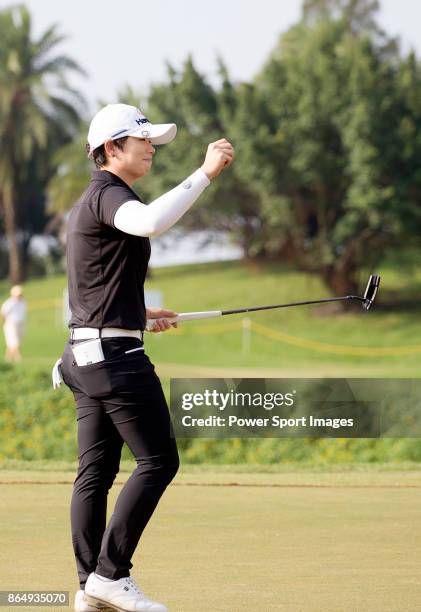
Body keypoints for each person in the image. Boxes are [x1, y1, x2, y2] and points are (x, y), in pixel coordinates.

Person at [55, 103, 234, 612]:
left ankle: (89, 583)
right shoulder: (110, 194)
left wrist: (138, 312)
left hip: (87, 355)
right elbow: (153, 222)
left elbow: (95, 284)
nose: (152, 147)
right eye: (143, 140)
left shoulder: (95, 199)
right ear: (111, 148)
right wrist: (204, 173)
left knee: (96, 471)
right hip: (114, 361)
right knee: (158, 460)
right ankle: (111, 575)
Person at [0, 284, 27, 363]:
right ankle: (19, 359)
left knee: (12, 344)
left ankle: (7, 360)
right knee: (15, 342)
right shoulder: (9, 303)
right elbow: (2, 313)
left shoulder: (23, 302)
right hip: (11, 324)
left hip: (21, 324)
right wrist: (3, 322)